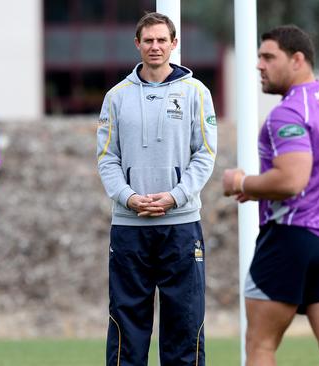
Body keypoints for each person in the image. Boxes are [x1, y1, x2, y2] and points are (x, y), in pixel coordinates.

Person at [222, 25, 319, 366]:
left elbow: (292, 179)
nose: (259, 65)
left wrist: (242, 182)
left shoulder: (287, 113)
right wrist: (264, 186)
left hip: (293, 237)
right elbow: (311, 172)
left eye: (268, 57)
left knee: (260, 345)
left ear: (297, 60)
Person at [96, 11, 217, 366]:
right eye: (148, 40)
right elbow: (107, 159)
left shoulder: (197, 92)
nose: (155, 46)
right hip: (129, 228)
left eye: (162, 40)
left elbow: (205, 155)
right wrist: (129, 197)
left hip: (180, 226)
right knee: (126, 328)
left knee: (185, 326)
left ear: (174, 44)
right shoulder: (116, 96)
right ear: (137, 44)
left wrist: (176, 196)